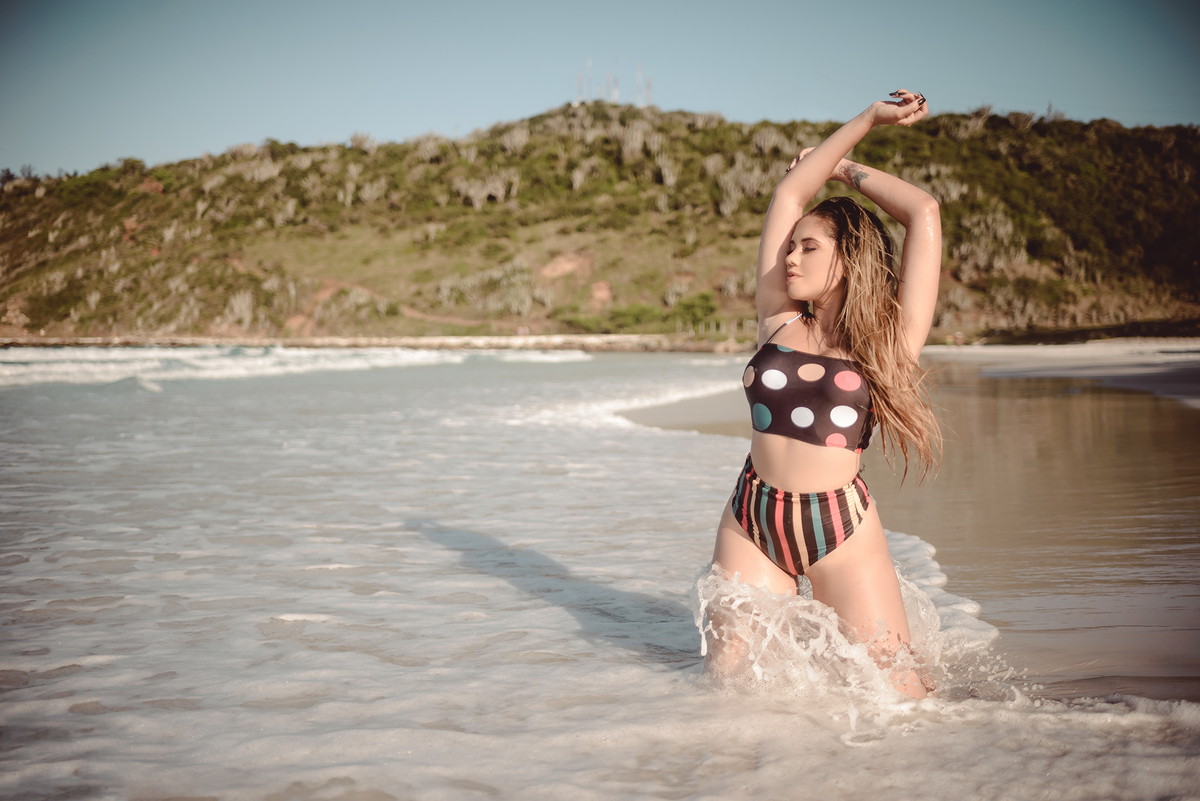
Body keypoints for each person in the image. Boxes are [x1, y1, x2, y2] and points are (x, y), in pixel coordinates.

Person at [709, 89, 942, 698]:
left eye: (808, 247)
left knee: (899, 694)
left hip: (839, 524)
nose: (790, 257)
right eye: (790, 245)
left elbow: (923, 211)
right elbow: (789, 195)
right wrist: (861, 118)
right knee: (731, 690)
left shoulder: (890, 342)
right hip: (752, 516)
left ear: (850, 256)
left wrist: (844, 165)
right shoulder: (778, 319)